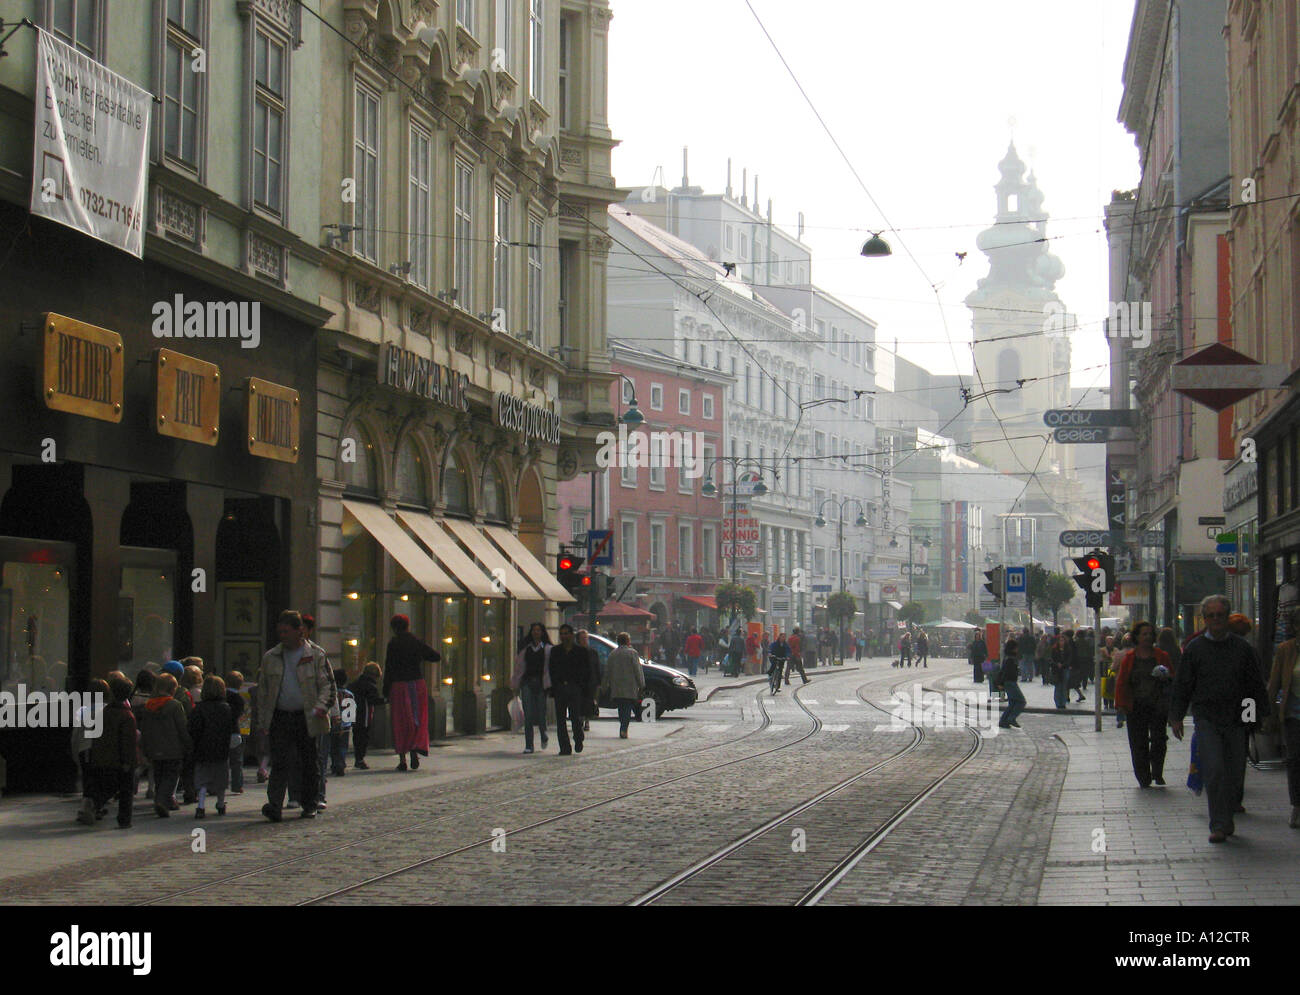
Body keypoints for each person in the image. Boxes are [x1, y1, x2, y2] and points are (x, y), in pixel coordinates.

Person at [1170, 595, 1270, 844]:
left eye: (1220, 615)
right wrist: (1176, 716)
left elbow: (1254, 686)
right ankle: (1219, 824)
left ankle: (1229, 814)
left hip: (1237, 719)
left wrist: (1254, 720)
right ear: (1204, 619)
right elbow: (1183, 685)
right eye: (1211, 616)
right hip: (1207, 718)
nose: (1215, 620)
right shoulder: (1195, 649)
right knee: (1214, 770)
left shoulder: (1242, 649)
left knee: (1235, 771)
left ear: (1227, 618)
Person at [255, 610, 335, 822]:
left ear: (299, 631)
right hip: (280, 716)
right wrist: (263, 722)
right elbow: (263, 692)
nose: (282, 635)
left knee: (309, 762)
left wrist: (321, 707)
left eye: (286, 631)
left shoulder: (316, 655)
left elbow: (328, 685)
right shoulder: (271, 657)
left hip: (307, 716)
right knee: (280, 761)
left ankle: (309, 804)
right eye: (279, 631)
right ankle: (274, 805)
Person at [1114, 621, 1175, 788]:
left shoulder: (1161, 656)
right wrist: (1120, 703)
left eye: (1150, 634)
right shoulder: (1129, 658)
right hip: (1136, 705)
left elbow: (1172, 677)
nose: (1147, 637)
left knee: (1159, 740)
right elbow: (1122, 682)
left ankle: (1157, 771)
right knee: (1137, 742)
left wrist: (1166, 677)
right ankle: (1143, 776)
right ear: (1137, 637)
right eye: (1144, 634)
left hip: (1158, 705)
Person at [77, 675, 136, 829]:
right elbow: (128, 741)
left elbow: (95, 736)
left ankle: (92, 804)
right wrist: (128, 761)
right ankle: (124, 819)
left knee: (106, 785)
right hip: (121, 759)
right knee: (125, 790)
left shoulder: (102, 713)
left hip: (103, 757)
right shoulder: (127, 715)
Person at [383, 614, 439, 772]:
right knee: (417, 719)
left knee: (399, 721)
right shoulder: (415, 641)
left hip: (399, 686)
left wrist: (385, 690)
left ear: (394, 628)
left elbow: (389, 668)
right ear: (408, 626)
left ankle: (402, 759)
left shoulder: (393, 644)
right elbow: (435, 656)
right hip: (416, 684)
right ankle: (415, 750)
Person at [1266, 606, 1300, 829]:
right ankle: (1297, 805)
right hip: (1293, 715)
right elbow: (1274, 683)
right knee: (1295, 760)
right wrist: (1265, 714)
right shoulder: (1286, 650)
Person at [139, 673, 191, 818]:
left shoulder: (149, 706)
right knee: (171, 776)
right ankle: (161, 800)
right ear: (172, 689)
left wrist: (145, 747)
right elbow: (182, 727)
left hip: (154, 748)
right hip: (172, 748)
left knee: (159, 775)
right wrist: (188, 744)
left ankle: (159, 798)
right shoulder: (175, 705)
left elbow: (145, 729)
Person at [188, 675, 234, 818]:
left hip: (202, 749)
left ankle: (201, 806)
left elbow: (193, 729)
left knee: (203, 779)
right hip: (221, 749)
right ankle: (220, 803)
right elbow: (230, 728)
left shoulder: (199, 708)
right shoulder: (225, 708)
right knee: (221, 779)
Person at [546, 624, 591, 755]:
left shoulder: (581, 651)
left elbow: (587, 671)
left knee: (575, 717)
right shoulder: (555, 651)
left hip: (575, 687)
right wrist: (554, 686)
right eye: (562, 634)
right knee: (560, 719)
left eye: (567, 633)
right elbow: (552, 669)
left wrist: (584, 688)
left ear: (572, 635)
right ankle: (564, 747)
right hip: (560, 687)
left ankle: (578, 737)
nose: (564, 636)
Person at [512, 624, 551, 754]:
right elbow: (518, 668)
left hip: (541, 684)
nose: (536, 632)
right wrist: (516, 685)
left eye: (538, 630)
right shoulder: (525, 649)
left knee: (541, 713)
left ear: (542, 632)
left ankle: (543, 733)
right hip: (527, 683)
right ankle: (529, 744)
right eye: (534, 630)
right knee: (528, 715)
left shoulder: (547, 649)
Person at [600, 631, 645, 738]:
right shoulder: (632, 653)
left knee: (621, 708)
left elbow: (607, 671)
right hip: (630, 686)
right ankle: (624, 729)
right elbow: (638, 670)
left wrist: (604, 685)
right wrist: (641, 685)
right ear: (628, 641)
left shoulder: (612, 654)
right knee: (627, 708)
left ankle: (622, 727)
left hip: (617, 687)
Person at [347, 662, 385, 769]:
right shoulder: (371, 686)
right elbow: (373, 700)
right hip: (364, 715)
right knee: (363, 737)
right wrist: (386, 700)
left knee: (356, 736)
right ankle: (360, 759)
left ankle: (357, 758)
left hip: (353, 713)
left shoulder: (355, 683)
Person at [223, 671, 247, 794]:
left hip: (222, 731)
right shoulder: (240, 699)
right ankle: (237, 785)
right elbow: (239, 715)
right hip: (234, 731)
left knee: (223, 759)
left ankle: (222, 782)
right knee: (236, 761)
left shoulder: (222, 696)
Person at [330, 669, 354, 776]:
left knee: (333, 746)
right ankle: (341, 762)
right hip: (346, 725)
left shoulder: (332, 693)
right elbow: (351, 712)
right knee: (343, 746)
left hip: (333, 723)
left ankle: (335, 763)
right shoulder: (349, 694)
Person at [576, 630, 601, 732]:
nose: (585, 640)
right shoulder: (575, 652)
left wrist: (599, 682)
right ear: (578, 640)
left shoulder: (593, 652)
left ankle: (587, 720)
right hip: (579, 681)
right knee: (579, 702)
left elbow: (597, 667)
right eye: (583, 638)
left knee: (589, 702)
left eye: (586, 638)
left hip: (591, 682)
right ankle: (580, 719)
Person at [998, 636, 1026, 729]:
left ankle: (1003, 721)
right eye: (1016, 647)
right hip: (1010, 682)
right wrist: (1001, 683)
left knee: (1013, 703)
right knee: (1021, 701)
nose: (1018, 649)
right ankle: (1011, 718)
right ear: (1013, 648)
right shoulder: (1010, 659)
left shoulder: (1009, 658)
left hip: (1009, 682)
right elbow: (1006, 672)